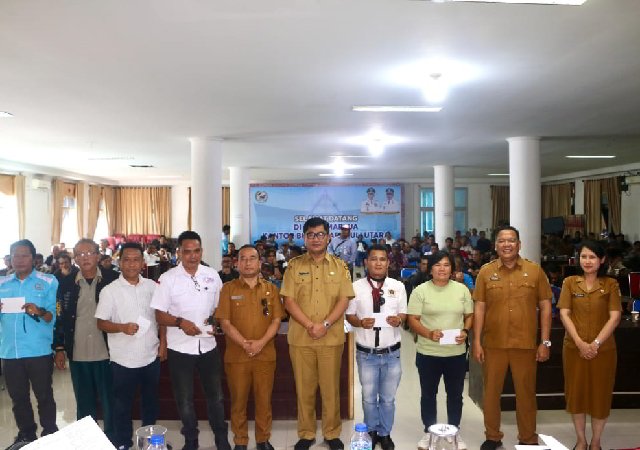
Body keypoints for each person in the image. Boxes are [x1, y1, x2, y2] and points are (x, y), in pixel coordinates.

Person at [472, 226, 553, 450]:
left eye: (511, 240)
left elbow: (546, 307)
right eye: (502, 241)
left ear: (519, 244)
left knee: (526, 394)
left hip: (525, 345)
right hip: (493, 344)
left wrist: (545, 342)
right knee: (491, 394)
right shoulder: (486, 272)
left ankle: (528, 438)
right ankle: (492, 437)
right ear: (495, 245)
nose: (506, 244)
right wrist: (476, 341)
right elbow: (479, 308)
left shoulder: (534, 271)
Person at [151, 230, 230, 450]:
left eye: (196, 251)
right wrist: (180, 322)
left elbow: (220, 307)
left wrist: (215, 320)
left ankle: (221, 439)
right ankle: (191, 440)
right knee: (184, 400)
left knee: (216, 397)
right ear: (179, 252)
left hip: (208, 347)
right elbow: (159, 315)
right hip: (180, 349)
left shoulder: (212, 275)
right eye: (187, 252)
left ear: (201, 251)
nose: (192, 256)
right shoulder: (168, 279)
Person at [281, 217, 355, 450]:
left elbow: (344, 299)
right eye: (311, 234)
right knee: (304, 389)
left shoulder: (340, 267)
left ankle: (332, 433)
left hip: (330, 339)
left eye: (320, 234)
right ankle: (306, 433)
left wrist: (325, 324)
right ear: (304, 238)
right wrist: (309, 325)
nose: (316, 238)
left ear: (328, 237)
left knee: (330, 389)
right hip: (301, 339)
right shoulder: (294, 266)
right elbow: (288, 300)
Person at [95, 243, 167, 450]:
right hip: (122, 360)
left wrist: (163, 343)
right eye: (127, 260)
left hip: (150, 356)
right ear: (120, 262)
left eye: (136, 260)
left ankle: (150, 443)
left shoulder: (153, 287)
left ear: (143, 263)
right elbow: (101, 323)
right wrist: (121, 327)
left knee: (150, 404)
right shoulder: (110, 291)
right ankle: (123, 442)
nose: (131, 264)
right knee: (122, 406)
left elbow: (161, 317)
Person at [215, 245, 284, 450]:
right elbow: (225, 322)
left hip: (265, 355)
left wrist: (260, 343)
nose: (247, 263)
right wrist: (245, 344)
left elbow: (276, 320)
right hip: (237, 356)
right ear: (236, 263)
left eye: (252, 258)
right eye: (243, 259)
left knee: (264, 401)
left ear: (259, 262)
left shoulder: (271, 289)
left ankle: (263, 440)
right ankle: (240, 441)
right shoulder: (228, 289)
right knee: (238, 402)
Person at [54, 238, 120, 443]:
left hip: (107, 351)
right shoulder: (66, 284)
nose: (85, 258)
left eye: (89, 253)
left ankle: (112, 440)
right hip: (79, 351)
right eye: (80, 254)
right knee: (84, 402)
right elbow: (60, 318)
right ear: (75, 259)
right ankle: (88, 442)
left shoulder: (114, 280)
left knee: (110, 400)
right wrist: (59, 347)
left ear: (98, 256)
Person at [557, 241, 621, 450]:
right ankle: (581, 441)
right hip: (573, 349)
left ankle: (595, 442)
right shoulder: (570, 282)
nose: (587, 261)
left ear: (602, 260)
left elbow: (615, 317)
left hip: (603, 351)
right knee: (576, 395)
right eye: (583, 256)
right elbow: (564, 313)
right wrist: (579, 343)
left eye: (592, 257)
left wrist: (595, 344)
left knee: (600, 396)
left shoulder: (611, 284)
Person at [407, 251, 473, 450]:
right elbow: (412, 319)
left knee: (455, 395)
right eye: (437, 265)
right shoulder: (420, 291)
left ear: (452, 268)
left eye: (446, 265)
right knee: (428, 394)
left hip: (456, 354)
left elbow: (469, 315)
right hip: (428, 353)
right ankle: (429, 431)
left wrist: (465, 331)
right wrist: (428, 333)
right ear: (430, 269)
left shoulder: (462, 290)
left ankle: (454, 431)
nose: (442, 269)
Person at [346, 244, 406, 450]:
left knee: (388, 399)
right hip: (366, 354)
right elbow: (350, 315)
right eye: (373, 259)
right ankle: (371, 431)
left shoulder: (398, 286)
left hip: (391, 353)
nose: (378, 263)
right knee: (369, 398)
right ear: (366, 262)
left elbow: (403, 313)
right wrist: (360, 322)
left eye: (382, 259)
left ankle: (385, 434)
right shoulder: (355, 287)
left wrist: (398, 320)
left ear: (388, 263)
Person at [0, 239, 59, 448]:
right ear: (10, 259)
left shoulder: (48, 281)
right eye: (15, 255)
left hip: (38, 350)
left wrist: (39, 311)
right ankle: (26, 435)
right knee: (18, 398)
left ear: (33, 258)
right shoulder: (2, 283)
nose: (19, 259)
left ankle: (50, 433)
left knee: (44, 395)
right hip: (10, 351)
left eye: (24, 255)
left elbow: (52, 316)